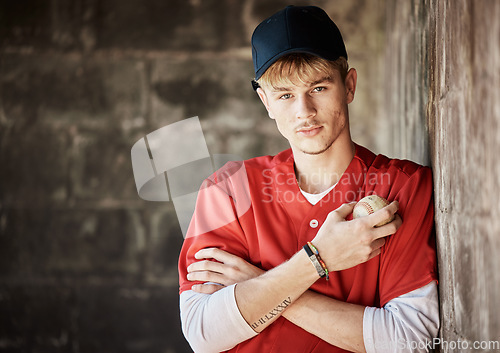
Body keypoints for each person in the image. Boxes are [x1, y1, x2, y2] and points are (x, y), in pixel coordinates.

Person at [178, 5, 439, 353]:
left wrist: (260, 285)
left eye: (318, 87)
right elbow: (202, 333)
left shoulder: (402, 187)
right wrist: (318, 259)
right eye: (285, 95)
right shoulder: (227, 191)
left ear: (349, 86)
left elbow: (410, 340)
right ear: (266, 102)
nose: (304, 111)